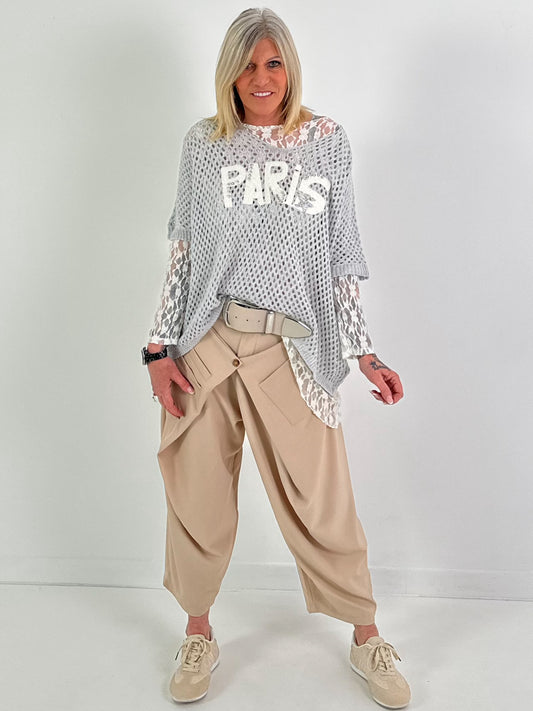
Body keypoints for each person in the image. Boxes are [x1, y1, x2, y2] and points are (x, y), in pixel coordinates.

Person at [142, 7, 410, 708]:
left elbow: (340, 256)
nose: (261, 78)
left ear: (289, 69)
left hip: (291, 347)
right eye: (247, 64)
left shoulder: (325, 141)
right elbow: (184, 253)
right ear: (228, 72)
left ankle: (366, 636)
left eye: (273, 63)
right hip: (206, 344)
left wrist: (363, 350)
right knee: (196, 494)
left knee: (322, 501)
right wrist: (156, 348)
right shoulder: (204, 144)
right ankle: (198, 632)